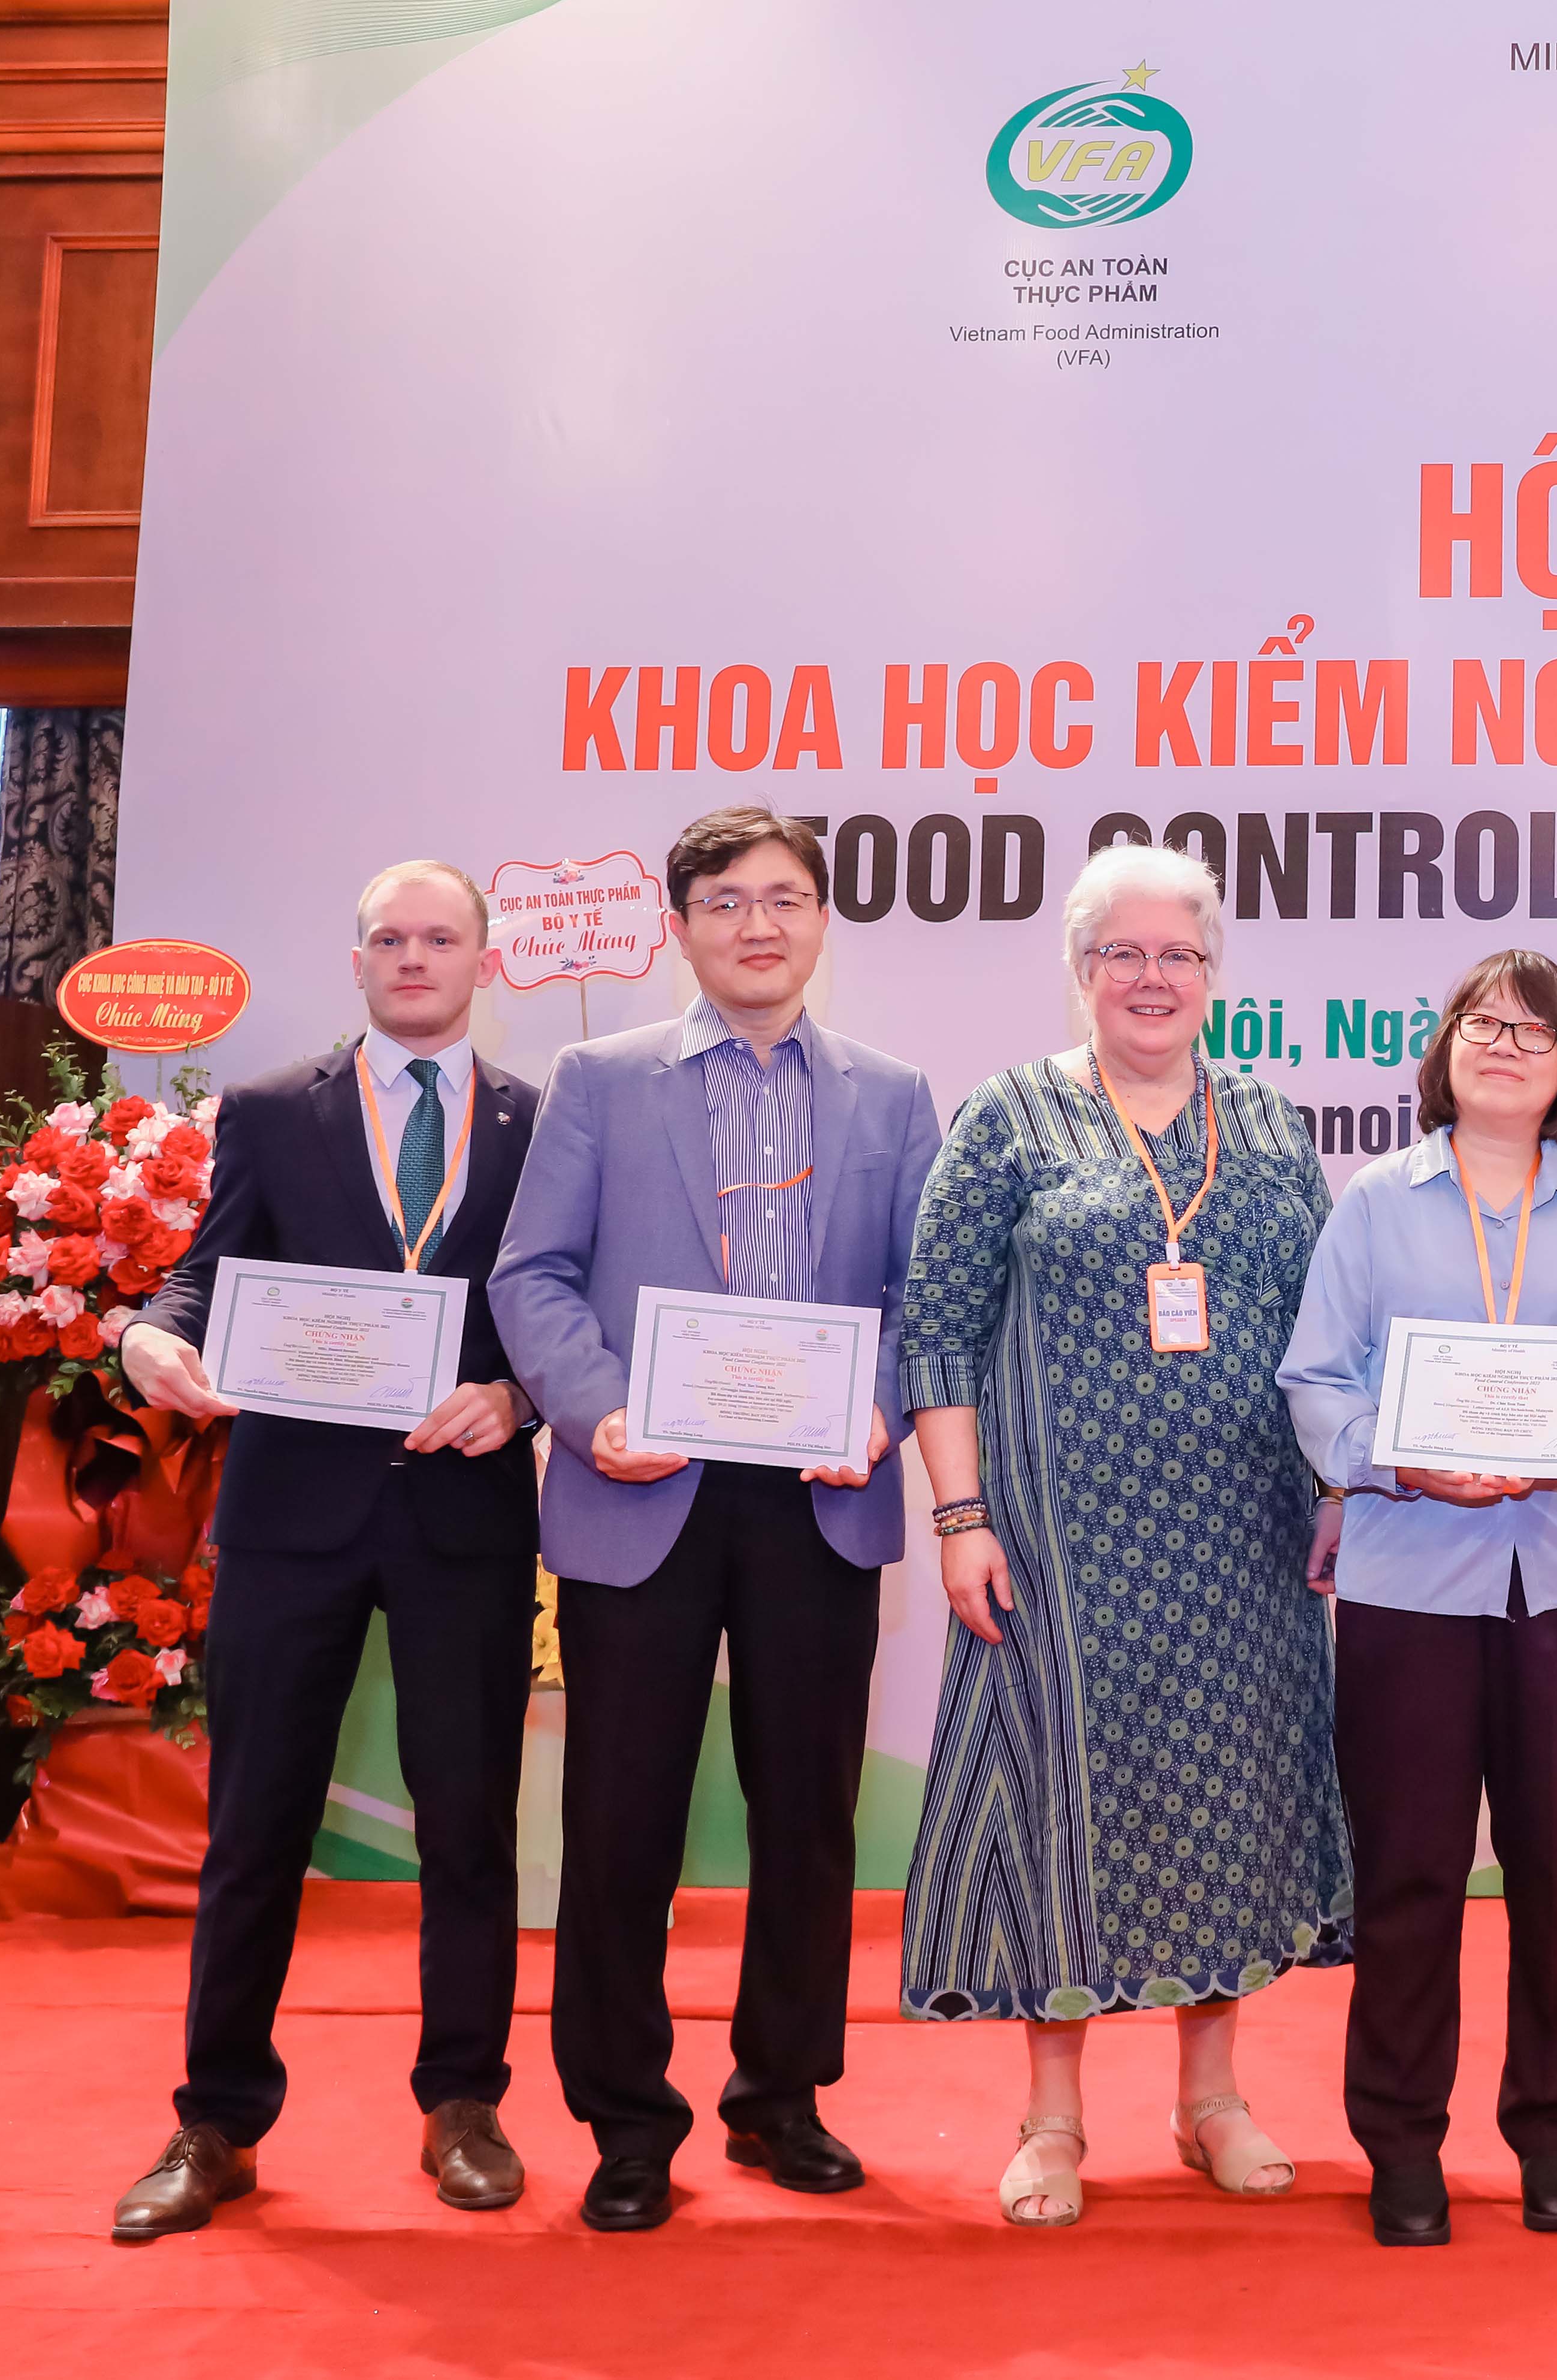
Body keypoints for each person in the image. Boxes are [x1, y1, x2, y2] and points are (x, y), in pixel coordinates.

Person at [489, 805, 941, 2235]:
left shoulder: (890, 1091)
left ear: (822, 922)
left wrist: (874, 1403)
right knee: (621, 1821)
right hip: (644, 1488)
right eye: (731, 900)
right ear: (683, 923)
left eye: (789, 899)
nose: (761, 924)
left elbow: (922, 1296)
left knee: (806, 1819)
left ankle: (781, 2097)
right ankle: (628, 2121)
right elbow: (533, 1277)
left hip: (823, 1493)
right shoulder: (599, 1078)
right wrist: (596, 1408)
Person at [894, 841, 1352, 2230]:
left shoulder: (1272, 1124)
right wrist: (960, 1515)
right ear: (1080, 973)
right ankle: (1050, 2120)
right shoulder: (1010, 1120)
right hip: (1053, 1541)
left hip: (1243, 1541)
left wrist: (1336, 1490)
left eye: (1178, 956)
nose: (1152, 980)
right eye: (1122, 956)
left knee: (1222, 1800)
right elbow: (938, 1324)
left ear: (1213, 976)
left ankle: (1211, 2098)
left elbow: (1329, 1336)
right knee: (1060, 1806)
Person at [107, 863, 546, 2239]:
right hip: (293, 1515)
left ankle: (463, 2103)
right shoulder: (268, 1110)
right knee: (253, 1827)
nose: (413, 958)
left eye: (440, 938)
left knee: (469, 1826)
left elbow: (559, 1296)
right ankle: (216, 2122)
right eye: (388, 939)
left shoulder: (546, 1123)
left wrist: (523, 1397)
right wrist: (148, 1334)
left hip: (464, 1512)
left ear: (486, 961)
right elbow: (206, 1272)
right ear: (355, 961)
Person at [1278, 950, 1557, 2248]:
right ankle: (1402, 2144)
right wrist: (1401, 1464)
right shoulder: (1373, 1205)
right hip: (1407, 1580)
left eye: (1533, 1030)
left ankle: (1551, 2128)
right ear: (1444, 1049)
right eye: (1481, 1024)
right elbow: (1315, 1382)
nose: (1504, 1045)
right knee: (1409, 1875)